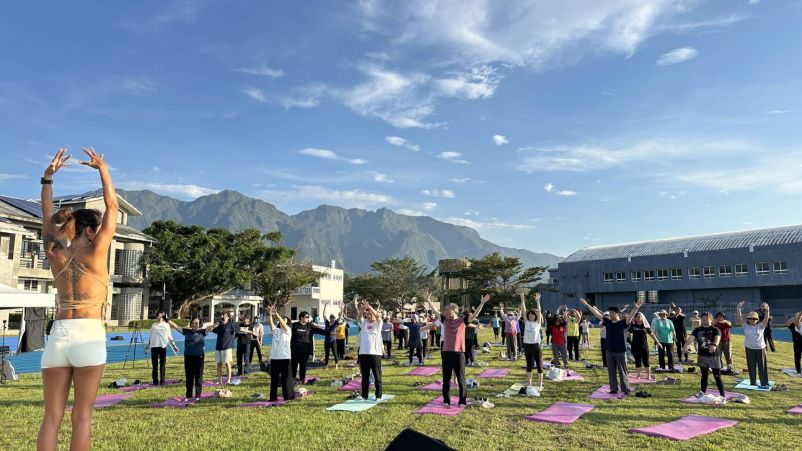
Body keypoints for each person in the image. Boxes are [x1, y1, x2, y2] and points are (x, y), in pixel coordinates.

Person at [38, 148, 117, 451]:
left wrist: (47, 180)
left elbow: (47, 219)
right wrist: (103, 169)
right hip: (89, 334)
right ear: (89, 230)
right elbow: (111, 205)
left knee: (51, 419)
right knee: (81, 416)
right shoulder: (96, 252)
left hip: (58, 335)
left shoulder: (57, 253)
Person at [427, 294, 490, 407]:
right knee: (446, 378)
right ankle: (446, 400)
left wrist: (482, 303)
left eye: (447, 309)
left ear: (455, 310)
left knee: (461, 379)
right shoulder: (444, 320)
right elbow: (435, 311)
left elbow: (475, 315)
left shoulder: (462, 321)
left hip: (459, 353)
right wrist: (428, 301)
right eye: (445, 310)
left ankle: (462, 401)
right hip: (446, 352)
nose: (445, 311)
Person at [581, 297, 634, 395]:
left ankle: (625, 388)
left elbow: (630, 317)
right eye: (609, 313)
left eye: (612, 313)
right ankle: (613, 388)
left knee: (622, 371)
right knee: (611, 371)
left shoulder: (623, 322)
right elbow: (596, 314)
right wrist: (586, 305)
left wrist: (636, 308)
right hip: (609, 350)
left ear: (617, 313)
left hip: (620, 351)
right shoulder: (608, 322)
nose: (609, 314)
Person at [684, 312, 725, 398]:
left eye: (706, 319)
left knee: (717, 376)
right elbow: (691, 338)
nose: (704, 321)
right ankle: (702, 393)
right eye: (702, 320)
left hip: (714, 356)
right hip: (702, 356)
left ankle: (722, 395)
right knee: (704, 375)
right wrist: (685, 345)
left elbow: (717, 338)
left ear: (711, 320)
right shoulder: (697, 330)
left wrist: (714, 345)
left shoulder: (715, 329)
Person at [168, 317, 207, 401]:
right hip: (188, 357)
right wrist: (167, 320)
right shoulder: (187, 331)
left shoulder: (202, 332)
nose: (194, 324)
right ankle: (188, 396)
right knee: (189, 377)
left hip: (199, 357)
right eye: (193, 323)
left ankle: (197, 396)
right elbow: (176, 326)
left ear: (199, 324)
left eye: (196, 323)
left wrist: (218, 323)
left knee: (198, 377)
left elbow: (211, 328)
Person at [736, 301, 771, 388]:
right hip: (749, 349)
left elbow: (766, 318)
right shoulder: (745, 326)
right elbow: (739, 317)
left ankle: (764, 383)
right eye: (750, 318)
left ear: (757, 319)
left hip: (760, 349)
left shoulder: (761, 326)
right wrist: (738, 308)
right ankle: (753, 382)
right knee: (751, 366)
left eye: (754, 319)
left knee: (762, 366)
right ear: (748, 319)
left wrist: (767, 310)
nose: (752, 320)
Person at [354, 297, 384, 400]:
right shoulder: (364, 323)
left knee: (377, 376)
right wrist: (363, 308)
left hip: (376, 354)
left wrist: (369, 307)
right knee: (365, 377)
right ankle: (364, 395)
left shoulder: (378, 324)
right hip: (363, 353)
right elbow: (358, 317)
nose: (369, 315)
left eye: (371, 314)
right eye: (368, 314)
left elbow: (378, 316)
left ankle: (378, 395)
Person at [266, 305, 294, 402]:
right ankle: (273, 397)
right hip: (274, 357)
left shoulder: (288, 331)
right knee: (274, 379)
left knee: (286, 378)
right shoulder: (276, 331)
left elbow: (282, 322)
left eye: (285, 320)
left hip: (285, 357)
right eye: (282, 320)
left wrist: (277, 314)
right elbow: (270, 323)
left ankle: (288, 396)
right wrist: (270, 314)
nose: (283, 321)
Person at [291, 310, 324, 383]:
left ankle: (302, 380)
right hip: (294, 350)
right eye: (306, 317)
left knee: (303, 367)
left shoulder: (310, 326)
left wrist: (329, 333)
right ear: (301, 318)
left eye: (308, 317)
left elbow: (320, 331)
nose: (308, 318)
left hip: (305, 350)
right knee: (293, 366)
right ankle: (292, 380)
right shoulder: (294, 325)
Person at [521, 292, 545, 388]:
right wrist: (522, 300)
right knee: (529, 365)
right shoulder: (526, 322)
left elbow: (539, 311)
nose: (531, 316)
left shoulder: (537, 323)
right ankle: (529, 382)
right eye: (530, 315)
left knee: (539, 365)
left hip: (536, 346)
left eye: (533, 315)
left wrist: (538, 301)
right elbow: (523, 310)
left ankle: (540, 383)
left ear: (535, 316)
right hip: (527, 346)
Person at [628, 312, 661, 380]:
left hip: (644, 347)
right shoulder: (633, 325)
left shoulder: (645, 326)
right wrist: (625, 341)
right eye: (637, 317)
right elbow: (628, 334)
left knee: (646, 361)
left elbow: (652, 334)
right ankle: (638, 375)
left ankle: (648, 375)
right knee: (637, 361)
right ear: (635, 318)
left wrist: (658, 342)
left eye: (639, 317)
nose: (638, 318)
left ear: (642, 318)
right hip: (635, 346)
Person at [146, 310, 176, 386]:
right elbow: (151, 336)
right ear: (156, 316)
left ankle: (162, 380)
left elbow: (169, 336)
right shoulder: (153, 325)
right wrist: (148, 345)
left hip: (162, 346)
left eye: (162, 316)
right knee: (154, 365)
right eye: (158, 316)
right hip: (154, 346)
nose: (160, 317)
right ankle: (155, 381)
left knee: (162, 364)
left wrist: (174, 345)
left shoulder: (166, 325)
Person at [211, 312, 239, 385]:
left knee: (227, 363)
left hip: (227, 347)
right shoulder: (219, 324)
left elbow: (238, 330)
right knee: (219, 364)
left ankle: (228, 379)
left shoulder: (231, 324)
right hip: (218, 347)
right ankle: (219, 380)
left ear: (229, 317)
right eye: (222, 315)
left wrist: (233, 338)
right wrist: (215, 324)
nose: (223, 317)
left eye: (225, 316)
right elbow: (212, 329)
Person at [322, 303, 342, 369]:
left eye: (333, 318)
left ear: (334, 318)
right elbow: (324, 315)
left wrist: (341, 308)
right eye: (331, 317)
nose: (332, 319)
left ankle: (336, 364)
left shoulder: (336, 323)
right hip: (326, 341)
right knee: (327, 354)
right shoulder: (327, 323)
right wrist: (325, 307)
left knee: (335, 353)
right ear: (330, 318)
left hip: (333, 341)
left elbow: (340, 316)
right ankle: (326, 365)